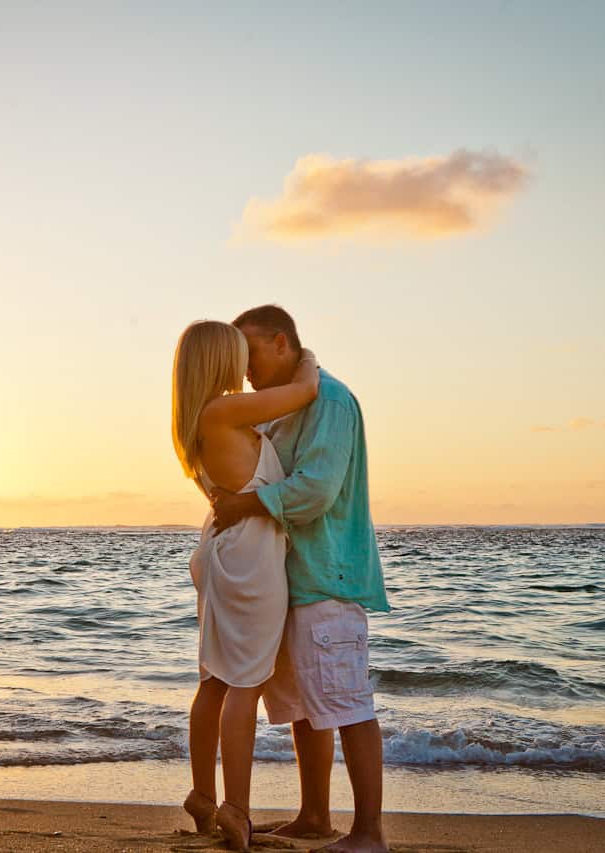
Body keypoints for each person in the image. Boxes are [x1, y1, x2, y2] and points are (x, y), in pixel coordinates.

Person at [211, 305, 391, 853]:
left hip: (328, 575)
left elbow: (315, 491)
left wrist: (244, 505)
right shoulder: (287, 408)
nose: (244, 370)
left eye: (252, 354)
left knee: (347, 702)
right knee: (307, 708)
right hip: (289, 579)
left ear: (282, 343)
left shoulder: (330, 401)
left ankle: (369, 834)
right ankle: (314, 816)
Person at [170, 320, 320, 852]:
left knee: (213, 677)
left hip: (220, 551)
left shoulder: (195, 420)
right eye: (239, 355)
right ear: (219, 361)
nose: (246, 367)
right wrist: (307, 355)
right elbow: (304, 392)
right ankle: (235, 808)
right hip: (249, 556)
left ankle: (203, 796)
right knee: (244, 681)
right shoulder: (223, 411)